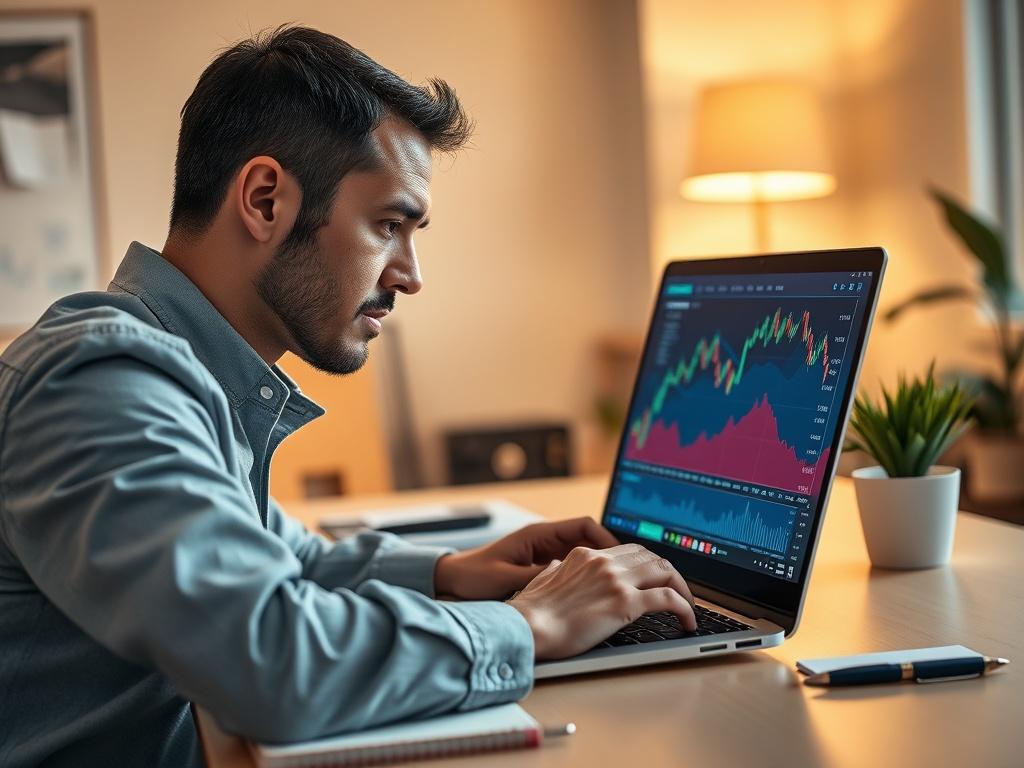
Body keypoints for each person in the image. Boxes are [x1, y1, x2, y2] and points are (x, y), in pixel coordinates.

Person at [0, 26, 696, 767]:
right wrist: (530, 627)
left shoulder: (174, 369)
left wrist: (449, 572)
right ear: (265, 199)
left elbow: (276, 556)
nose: (410, 273)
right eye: (388, 225)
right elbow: (271, 662)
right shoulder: (104, 382)